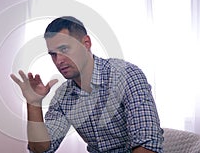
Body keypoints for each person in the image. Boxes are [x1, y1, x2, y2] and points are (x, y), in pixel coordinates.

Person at [10, 16, 164, 153]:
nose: (59, 61)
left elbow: (147, 145)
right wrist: (34, 103)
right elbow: (41, 149)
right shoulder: (63, 96)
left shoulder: (126, 75)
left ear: (86, 43)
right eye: (53, 54)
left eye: (64, 49)